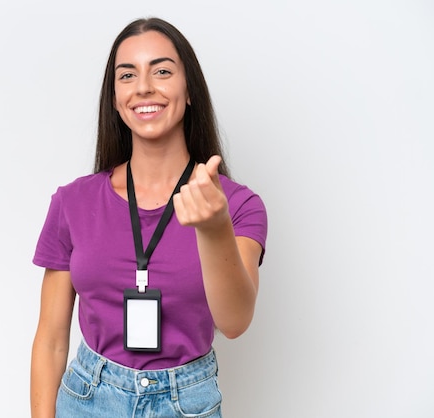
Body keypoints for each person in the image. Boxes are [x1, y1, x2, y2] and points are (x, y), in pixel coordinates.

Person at [30, 17, 267, 418]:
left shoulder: (237, 206)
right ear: (116, 97)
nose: (144, 86)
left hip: (186, 403)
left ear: (189, 89)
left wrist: (213, 229)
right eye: (127, 75)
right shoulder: (72, 202)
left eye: (161, 71)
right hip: (87, 398)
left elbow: (235, 321)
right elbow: (52, 339)